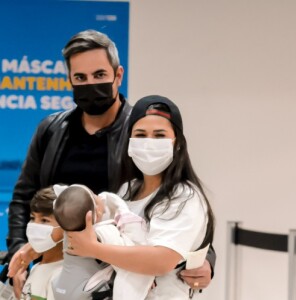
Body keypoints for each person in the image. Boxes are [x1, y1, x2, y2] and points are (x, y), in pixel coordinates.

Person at [7, 29, 216, 292]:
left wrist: (206, 258)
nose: (90, 83)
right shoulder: (51, 130)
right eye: (80, 77)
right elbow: (25, 196)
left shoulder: (140, 130)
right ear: (69, 79)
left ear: (117, 75)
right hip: (56, 265)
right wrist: (22, 252)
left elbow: (175, 207)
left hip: (116, 274)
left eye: (99, 75)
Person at [66, 95, 215, 299]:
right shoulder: (126, 191)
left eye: (159, 135)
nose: (148, 142)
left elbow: (162, 261)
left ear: (177, 143)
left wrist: (94, 249)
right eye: (141, 134)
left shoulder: (184, 196)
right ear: (130, 141)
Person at [52, 184, 153, 300]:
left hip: (63, 287)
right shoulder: (103, 232)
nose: (101, 197)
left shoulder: (69, 233)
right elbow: (131, 257)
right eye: (95, 196)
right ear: (97, 213)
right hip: (87, 290)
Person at [20, 186, 64, 300]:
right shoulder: (36, 267)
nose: (35, 225)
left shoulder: (60, 276)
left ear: (67, 225)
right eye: (32, 218)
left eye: (44, 220)